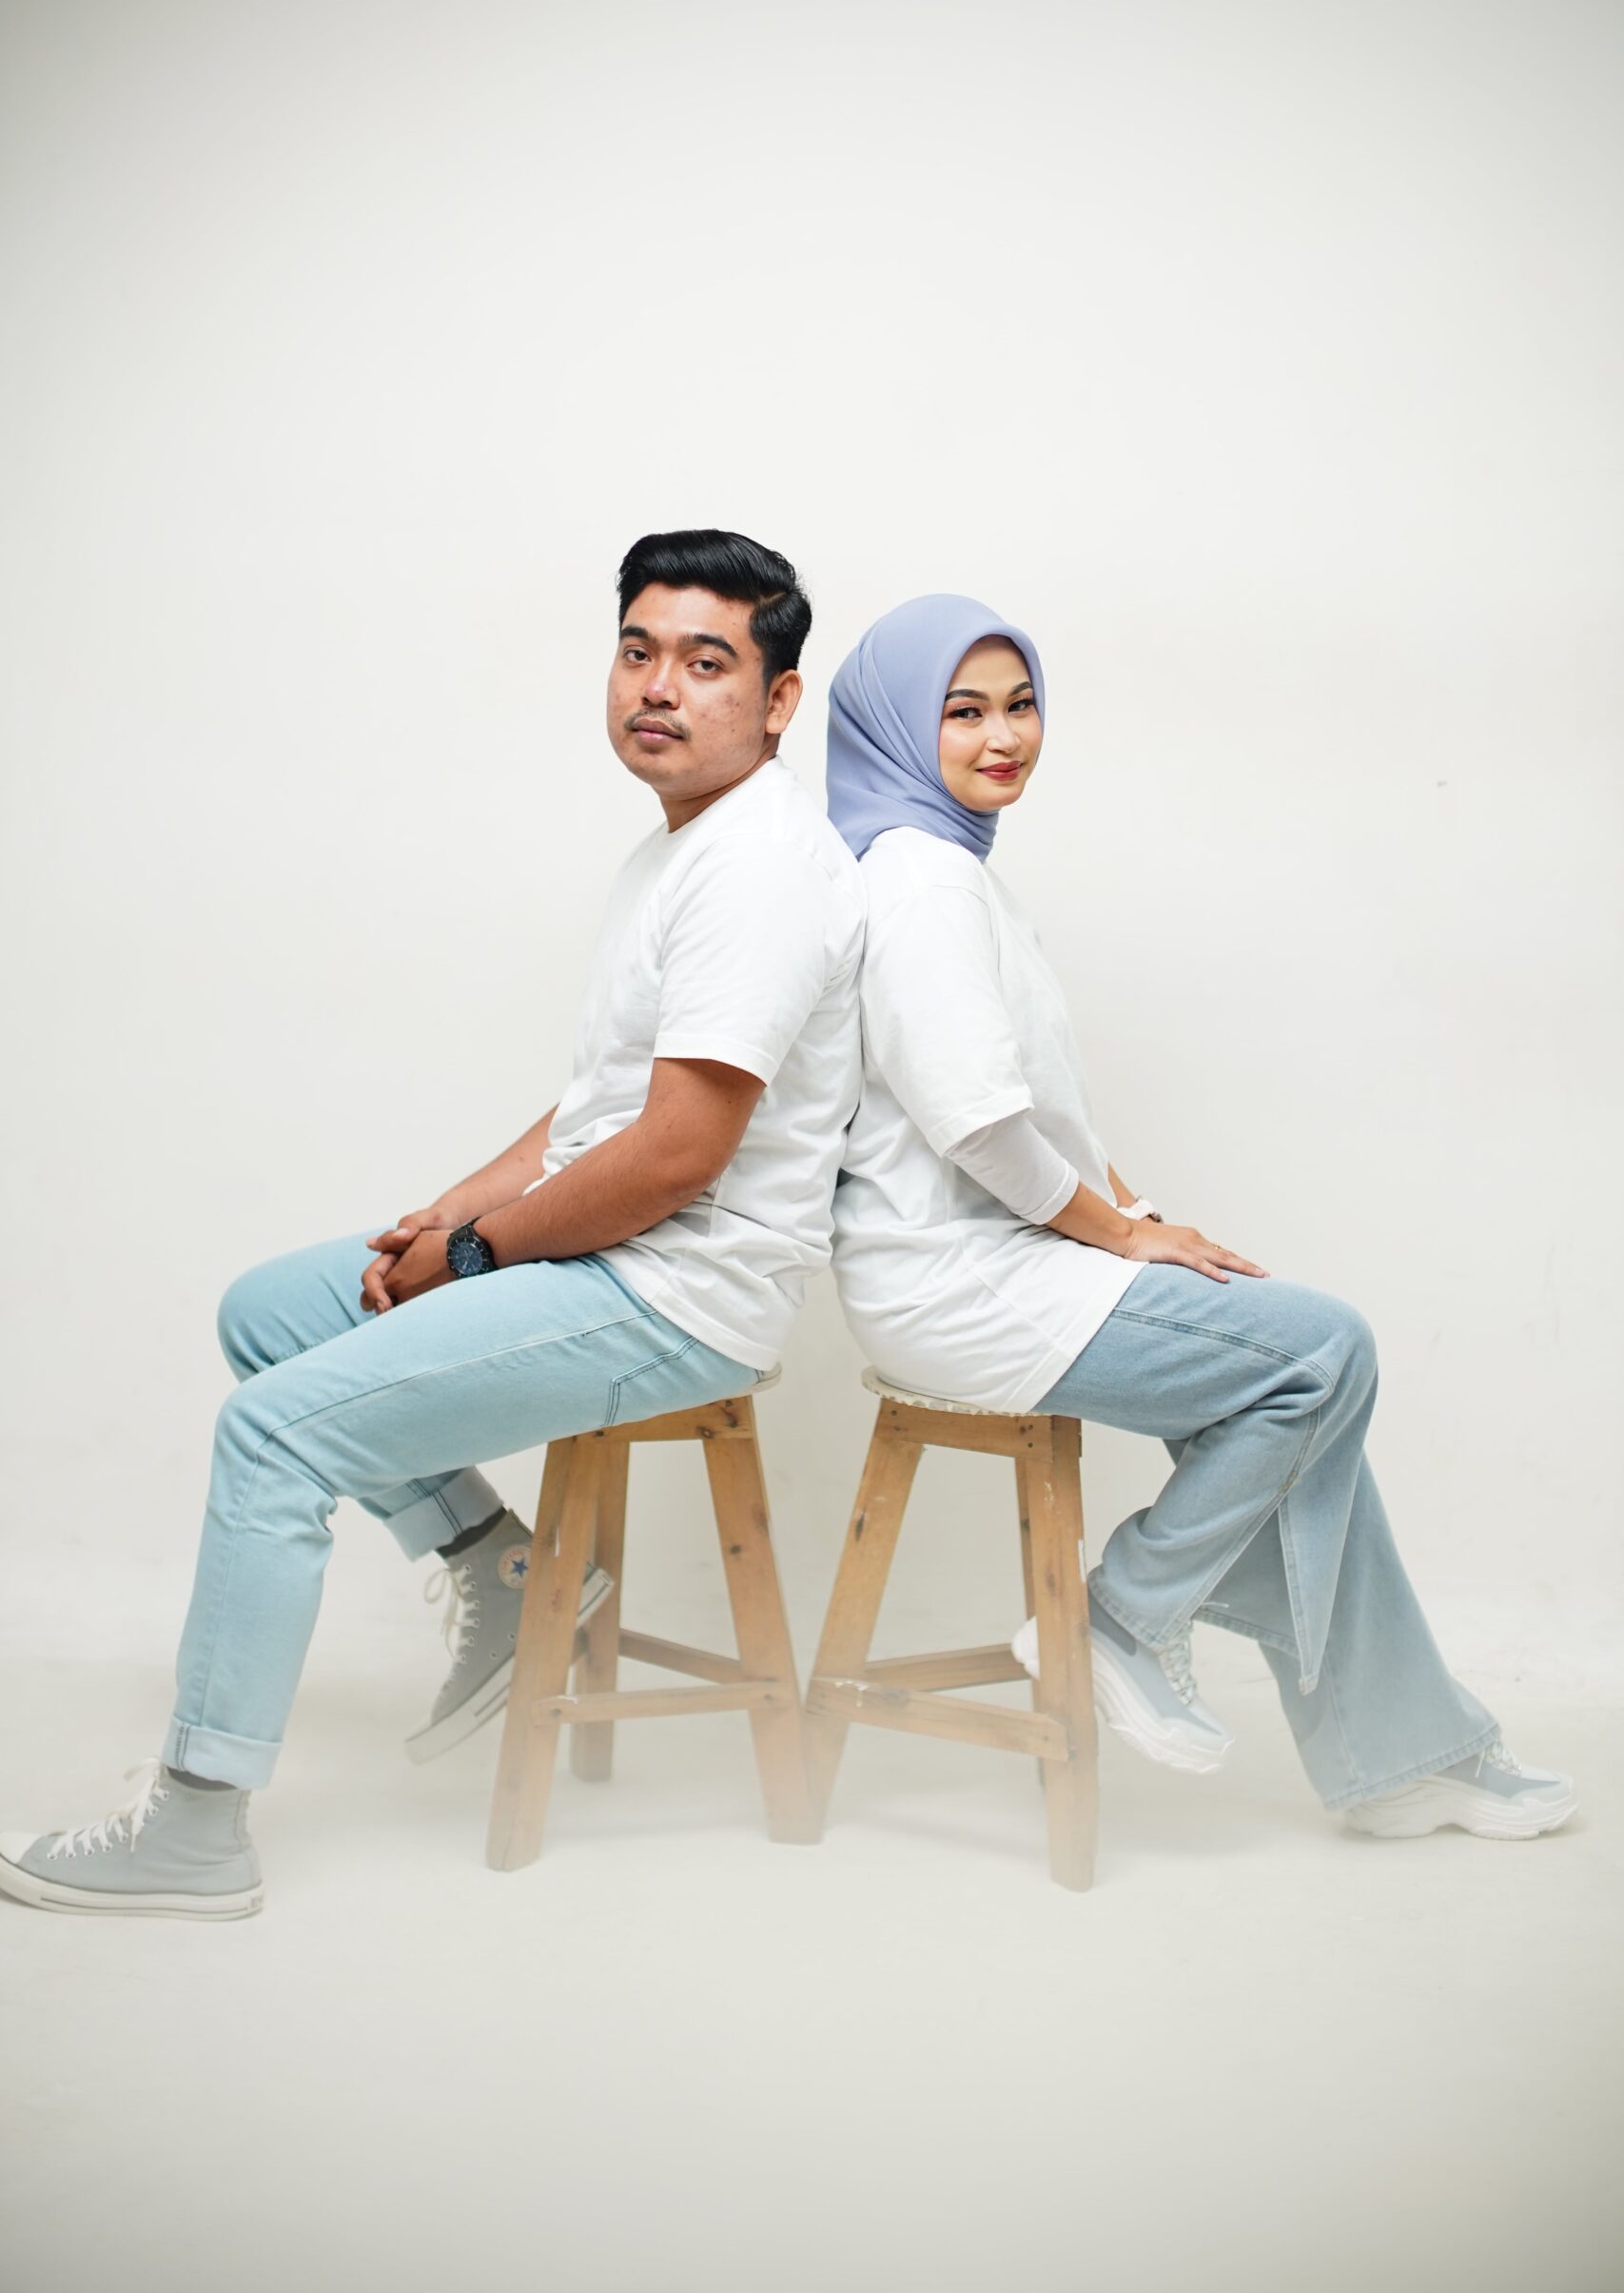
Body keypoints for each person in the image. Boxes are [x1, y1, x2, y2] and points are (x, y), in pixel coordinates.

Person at [0, 529, 865, 1918]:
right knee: (273, 1314)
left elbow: (674, 1157)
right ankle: (500, 1569)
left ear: (777, 702)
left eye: (707, 663)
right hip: (614, 1253)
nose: (658, 686)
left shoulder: (759, 869)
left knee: (273, 1434)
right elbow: (608, 1102)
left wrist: (472, 1256)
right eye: (636, 651)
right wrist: (465, 1201)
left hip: (677, 1293)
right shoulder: (679, 849)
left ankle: (198, 1829)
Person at [824, 594, 1575, 1840]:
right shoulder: (921, 881)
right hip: (955, 1281)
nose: (1003, 736)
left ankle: (1402, 1759)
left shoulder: (953, 870)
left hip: (1003, 1259)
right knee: (1321, 1351)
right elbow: (979, 1128)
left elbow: (1040, 1114)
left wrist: (1143, 1216)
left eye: (1021, 704)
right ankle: (1123, 1615)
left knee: (1301, 1404)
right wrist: (1124, 1239)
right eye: (962, 712)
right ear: (899, 726)